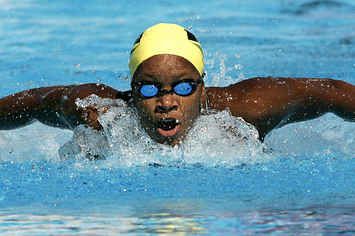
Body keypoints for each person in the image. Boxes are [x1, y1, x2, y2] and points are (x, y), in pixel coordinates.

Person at [0, 23, 354, 147]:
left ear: (202, 88)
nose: (166, 102)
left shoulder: (247, 110)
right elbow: (35, 100)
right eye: (150, 89)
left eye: (183, 88)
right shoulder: (101, 114)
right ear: (132, 90)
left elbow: (330, 92)